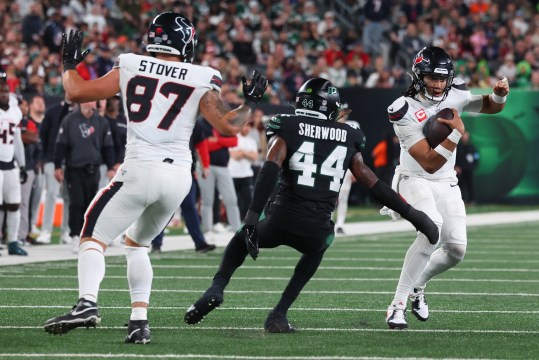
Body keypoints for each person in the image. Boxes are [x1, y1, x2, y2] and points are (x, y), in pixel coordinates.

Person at [43, 12, 267, 344]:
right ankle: (138, 322)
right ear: (185, 43)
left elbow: (76, 92)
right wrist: (250, 101)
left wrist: (67, 65)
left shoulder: (131, 64)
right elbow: (230, 126)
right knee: (137, 244)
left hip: (140, 168)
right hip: (178, 177)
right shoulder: (201, 75)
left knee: (92, 232)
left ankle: (87, 303)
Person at [184, 78, 439, 332]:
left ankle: (217, 287)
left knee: (240, 240)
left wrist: (251, 218)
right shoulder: (349, 134)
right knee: (320, 244)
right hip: (316, 229)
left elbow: (269, 170)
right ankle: (279, 313)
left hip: (279, 219)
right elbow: (373, 184)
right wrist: (417, 217)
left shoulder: (286, 125)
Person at [384, 46, 508, 329]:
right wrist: (456, 133)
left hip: (446, 181)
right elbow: (427, 162)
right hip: (414, 178)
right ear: (418, 76)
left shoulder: (456, 93)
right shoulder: (402, 109)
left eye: (442, 79)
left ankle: (418, 286)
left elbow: (489, 105)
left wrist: (500, 94)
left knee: (456, 249)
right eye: (431, 78)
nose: (438, 85)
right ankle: (397, 304)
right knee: (432, 230)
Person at [54, 101, 115, 253]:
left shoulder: (101, 121)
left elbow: (107, 146)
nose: (90, 103)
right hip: (74, 168)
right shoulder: (69, 120)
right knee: (76, 203)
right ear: (81, 102)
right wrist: (57, 166)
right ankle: (75, 235)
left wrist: (110, 166)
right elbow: (61, 144)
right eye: (87, 100)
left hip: (93, 168)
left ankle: (87, 236)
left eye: (93, 100)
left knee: (90, 205)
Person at [36, 97, 74, 245]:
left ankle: (66, 231)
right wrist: (46, 156)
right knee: (52, 193)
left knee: (69, 198)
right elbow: (43, 134)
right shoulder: (53, 111)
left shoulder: (79, 112)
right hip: (52, 159)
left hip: (72, 161)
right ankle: (46, 230)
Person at [0, 72, 28, 256]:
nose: (4, 93)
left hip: (10, 162)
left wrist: (23, 163)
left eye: (5, 90)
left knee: (14, 204)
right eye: (1, 91)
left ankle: (12, 242)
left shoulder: (14, 110)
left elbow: (17, 138)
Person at [228, 122, 259, 220]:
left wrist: (242, 152)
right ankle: (231, 222)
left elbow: (255, 157)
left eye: (249, 126)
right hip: (232, 174)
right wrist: (248, 153)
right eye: (246, 126)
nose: (247, 129)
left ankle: (245, 222)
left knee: (248, 200)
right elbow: (234, 156)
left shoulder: (252, 141)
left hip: (247, 174)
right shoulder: (233, 138)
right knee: (232, 201)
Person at [455, 131, 479, 204]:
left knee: (470, 185)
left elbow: (476, 157)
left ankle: (472, 200)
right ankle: (462, 200)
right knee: (461, 185)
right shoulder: (458, 147)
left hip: (469, 169)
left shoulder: (472, 147)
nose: (465, 137)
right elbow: (455, 158)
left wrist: (473, 165)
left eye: (466, 135)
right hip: (460, 170)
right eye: (463, 135)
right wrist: (456, 166)